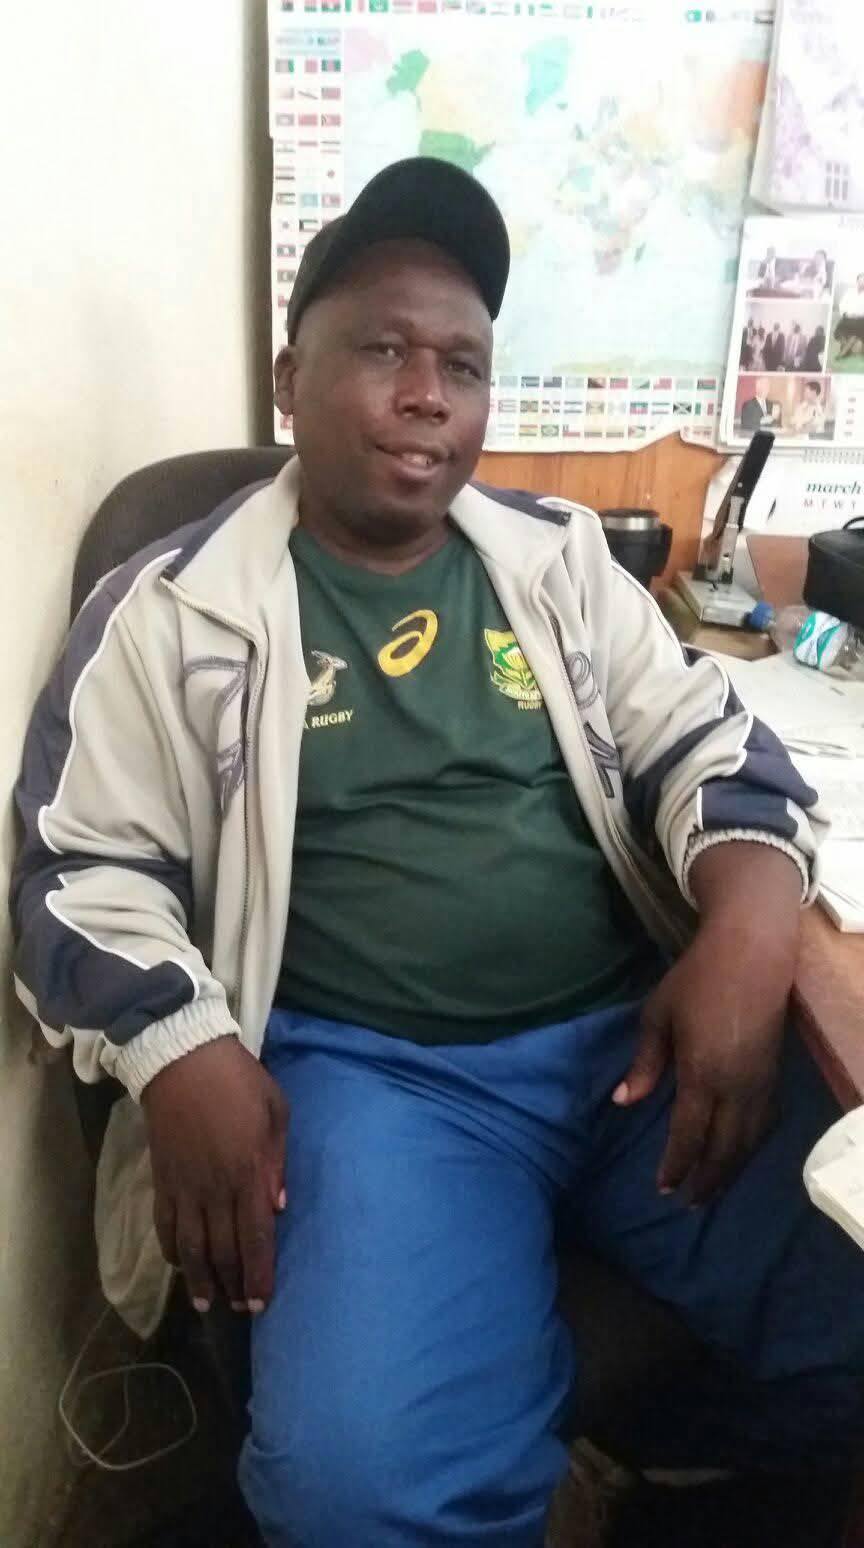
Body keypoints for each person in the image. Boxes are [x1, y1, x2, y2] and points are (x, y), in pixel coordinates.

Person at [10, 159, 864, 1548]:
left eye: (462, 366)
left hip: (633, 1048)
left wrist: (753, 932)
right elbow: (74, 874)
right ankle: (500, 1433)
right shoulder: (170, 612)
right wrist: (179, 1046)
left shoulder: (558, 562)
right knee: (362, 1493)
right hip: (379, 1081)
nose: (427, 396)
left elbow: (712, 744)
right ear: (289, 379)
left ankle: (612, 1456)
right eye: (384, 352)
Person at [835, 273, 864, 358]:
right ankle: (846, 348)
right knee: (838, 332)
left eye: (863, 282)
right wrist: (845, 313)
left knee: (855, 333)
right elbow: (842, 304)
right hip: (847, 317)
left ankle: (843, 353)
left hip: (860, 320)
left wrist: (858, 315)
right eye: (860, 281)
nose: (862, 284)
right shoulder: (850, 292)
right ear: (857, 282)